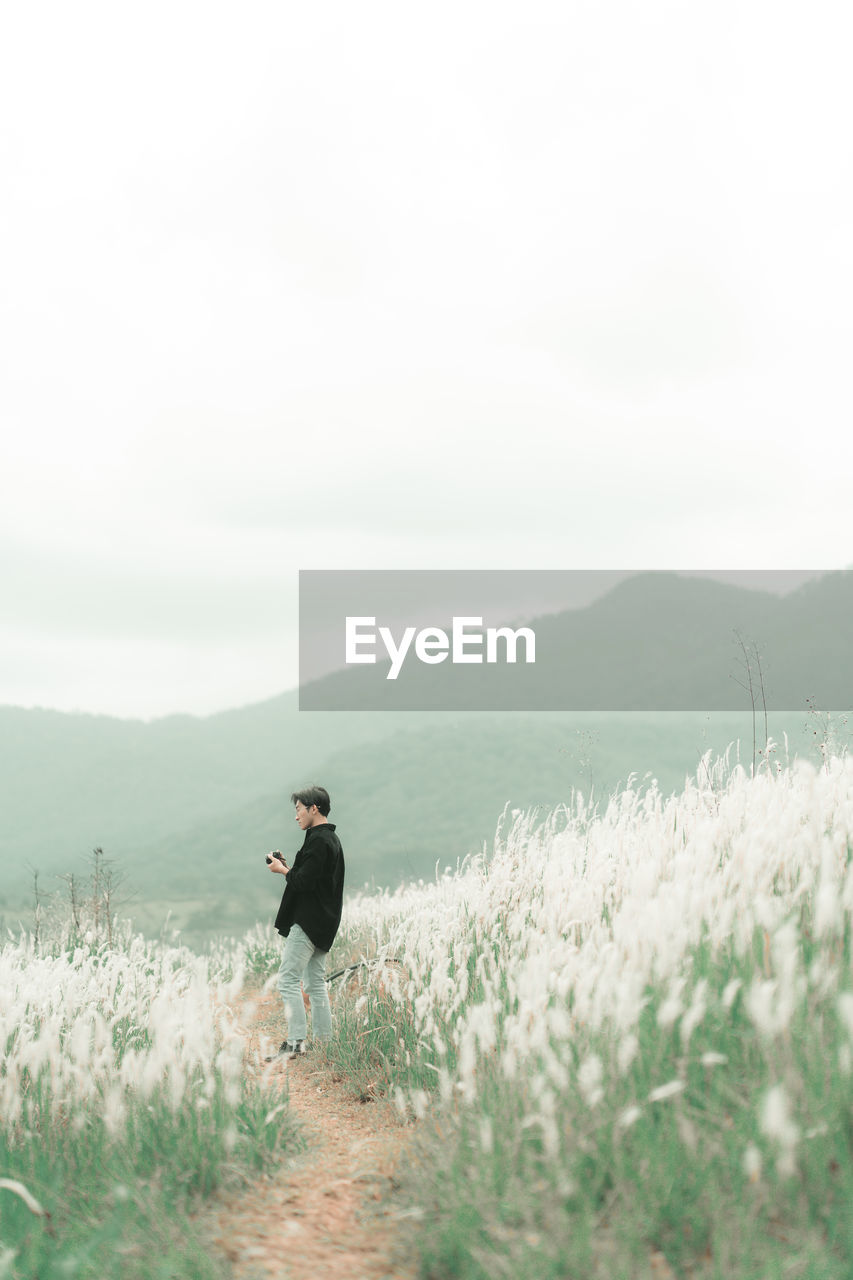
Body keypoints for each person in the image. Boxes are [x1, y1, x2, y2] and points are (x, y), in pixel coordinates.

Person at [266, 785, 345, 1060]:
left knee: (288, 979)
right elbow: (312, 878)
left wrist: (282, 870)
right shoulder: (329, 840)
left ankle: (295, 1043)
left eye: (299, 809)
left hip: (308, 922)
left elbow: (303, 882)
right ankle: (324, 1045)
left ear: (314, 808)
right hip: (324, 923)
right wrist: (288, 867)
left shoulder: (319, 841)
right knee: (315, 984)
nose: (296, 816)